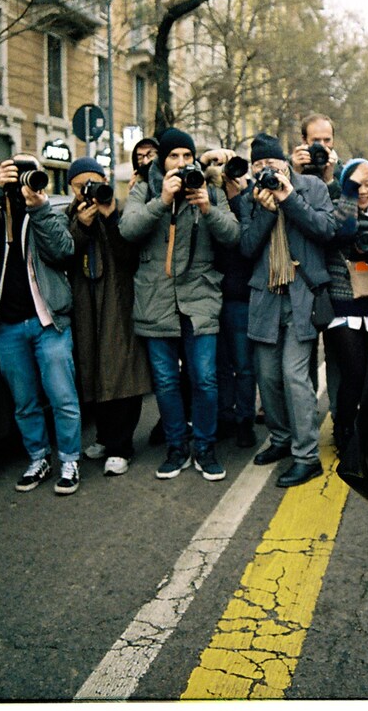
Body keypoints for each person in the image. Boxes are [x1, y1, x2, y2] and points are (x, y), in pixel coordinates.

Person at [0, 154, 83, 496]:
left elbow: (63, 251)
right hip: (6, 325)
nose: (24, 179)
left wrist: (38, 208)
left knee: (62, 396)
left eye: (31, 172)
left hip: (48, 322)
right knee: (23, 400)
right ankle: (38, 458)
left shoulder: (47, 210)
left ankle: (69, 460)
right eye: (17, 172)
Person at [119, 127, 240, 482]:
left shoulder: (210, 190)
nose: (182, 163)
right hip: (156, 298)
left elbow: (233, 235)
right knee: (167, 381)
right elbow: (128, 230)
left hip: (200, 297)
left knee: (204, 379)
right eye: (174, 156)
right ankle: (176, 447)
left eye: (188, 156)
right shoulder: (145, 189)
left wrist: (207, 207)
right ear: (162, 160)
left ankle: (204, 446)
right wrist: (162, 201)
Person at [237, 132, 337, 489]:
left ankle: (306, 456)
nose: (267, 170)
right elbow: (246, 247)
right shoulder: (250, 199)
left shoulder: (310, 187)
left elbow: (326, 229)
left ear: (285, 163)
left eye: (272, 163)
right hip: (266, 297)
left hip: (302, 296)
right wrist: (265, 212)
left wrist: (289, 199)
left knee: (295, 377)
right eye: (259, 165)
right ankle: (280, 439)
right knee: (268, 377)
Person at [66, 157, 152, 476]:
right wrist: (81, 227)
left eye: (94, 183)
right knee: (93, 370)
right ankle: (104, 437)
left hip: (117, 302)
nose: (88, 191)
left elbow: (130, 254)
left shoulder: (119, 210)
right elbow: (61, 253)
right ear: (70, 187)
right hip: (84, 303)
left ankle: (121, 446)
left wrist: (110, 217)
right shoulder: (67, 216)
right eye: (80, 186)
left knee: (122, 372)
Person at [324, 158, 368, 453]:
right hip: (342, 302)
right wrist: (348, 192)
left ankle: (365, 429)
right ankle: (343, 430)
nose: (364, 190)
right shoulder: (337, 208)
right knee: (354, 372)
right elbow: (343, 231)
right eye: (357, 184)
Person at [201, 147, 260, 449]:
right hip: (209, 293)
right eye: (211, 163)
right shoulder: (200, 195)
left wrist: (236, 192)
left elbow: (245, 236)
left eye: (224, 162)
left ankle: (245, 420)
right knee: (218, 364)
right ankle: (224, 417)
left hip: (240, 294)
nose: (218, 169)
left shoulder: (247, 197)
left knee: (243, 364)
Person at [291, 113, 340, 196]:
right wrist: (296, 174)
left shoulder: (341, 171)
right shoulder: (289, 166)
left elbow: (340, 206)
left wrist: (329, 181)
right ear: (304, 140)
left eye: (327, 140)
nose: (322, 145)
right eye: (316, 141)